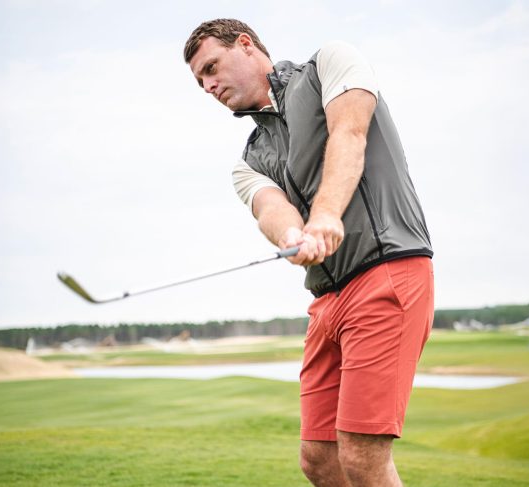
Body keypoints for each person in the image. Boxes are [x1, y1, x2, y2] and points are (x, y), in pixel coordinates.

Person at [184, 19, 434, 487]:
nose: (208, 86)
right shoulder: (248, 161)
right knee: (319, 459)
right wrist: (292, 237)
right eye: (200, 81)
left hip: (387, 271)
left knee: (362, 456)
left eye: (211, 68)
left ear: (246, 45)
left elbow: (349, 133)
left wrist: (325, 216)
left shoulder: (328, 64)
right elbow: (270, 209)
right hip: (326, 301)